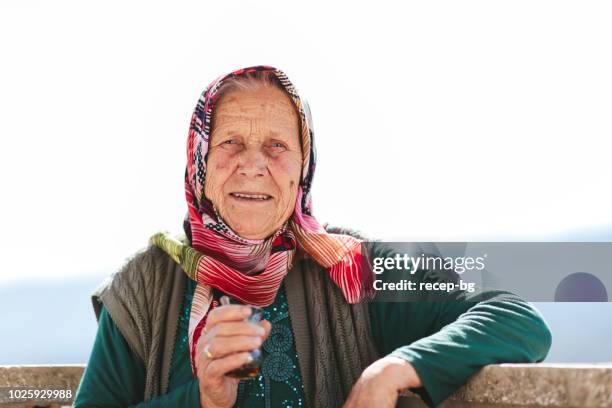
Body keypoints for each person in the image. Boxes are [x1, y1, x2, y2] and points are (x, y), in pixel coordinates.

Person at [73, 65, 552, 408]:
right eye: (231, 142)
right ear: (199, 161)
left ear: (303, 168)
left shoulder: (348, 266)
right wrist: (200, 399)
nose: (254, 164)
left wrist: (395, 368)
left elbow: (515, 319)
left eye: (277, 146)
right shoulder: (147, 288)